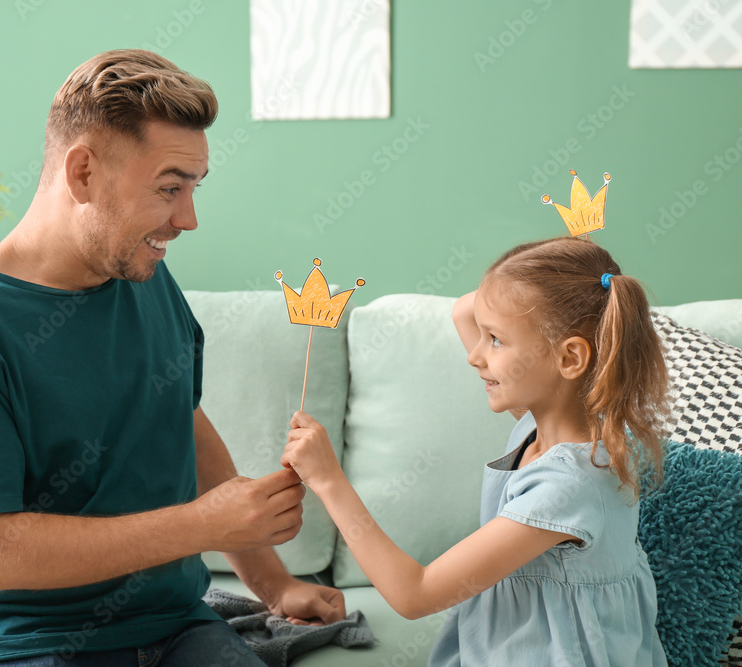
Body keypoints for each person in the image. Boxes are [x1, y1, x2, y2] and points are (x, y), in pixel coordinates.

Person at [0, 49, 344, 667]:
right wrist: (202, 525)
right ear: (82, 174)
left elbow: (180, 417)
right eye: (168, 188)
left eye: (192, 188)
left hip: (179, 627)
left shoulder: (145, 277)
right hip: (17, 643)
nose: (188, 218)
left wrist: (275, 584)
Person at [282, 236, 670, 666]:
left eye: (496, 341)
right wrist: (544, 282)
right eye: (482, 337)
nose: (474, 356)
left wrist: (328, 480)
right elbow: (464, 308)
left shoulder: (569, 487)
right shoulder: (546, 425)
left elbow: (415, 595)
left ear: (570, 358)